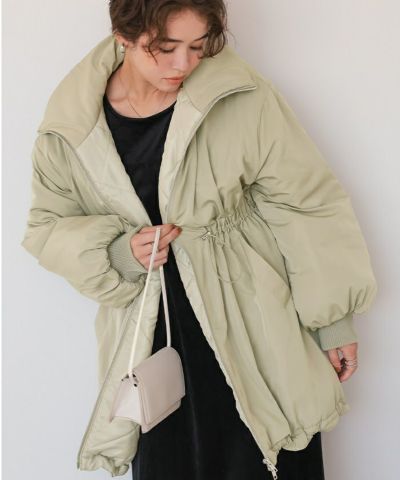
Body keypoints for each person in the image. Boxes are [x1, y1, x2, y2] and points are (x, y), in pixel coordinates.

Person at [20, 1, 378, 479]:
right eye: (165, 48)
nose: (184, 64)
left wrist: (332, 320)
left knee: (269, 454)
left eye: (198, 45)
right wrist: (118, 252)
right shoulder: (72, 124)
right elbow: (46, 226)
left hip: (252, 319)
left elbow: (305, 203)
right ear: (123, 36)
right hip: (152, 337)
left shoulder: (238, 94)